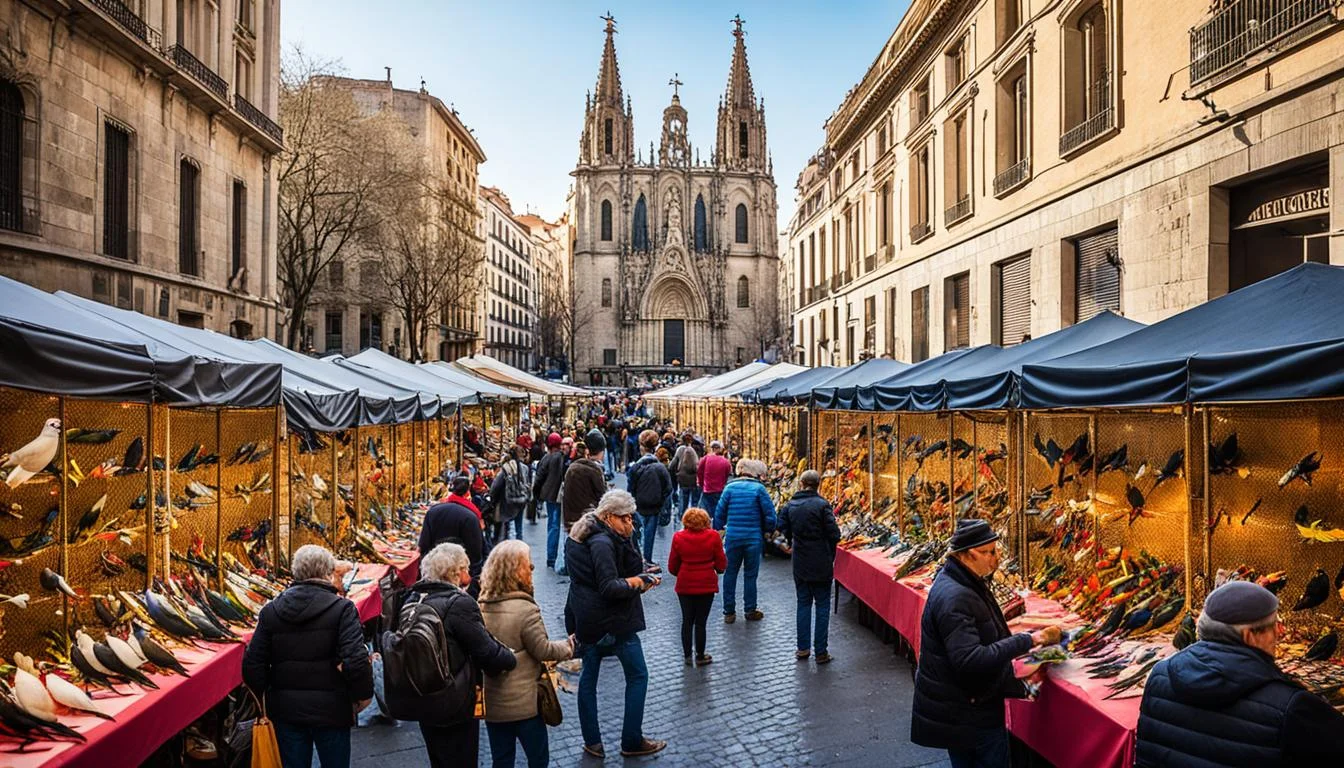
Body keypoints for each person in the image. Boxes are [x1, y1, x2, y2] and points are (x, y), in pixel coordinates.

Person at [1135, 580, 1344, 766]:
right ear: (1249, 636)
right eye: (1273, 625)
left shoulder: (1160, 676)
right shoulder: (1291, 705)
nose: (1280, 633)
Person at [911, 519, 1062, 768]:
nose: (996, 558)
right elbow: (969, 659)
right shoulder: (956, 595)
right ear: (968, 555)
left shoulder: (960, 581)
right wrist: (1029, 639)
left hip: (960, 708)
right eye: (988, 552)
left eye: (995, 550)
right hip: (969, 712)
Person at [242, 545, 372, 768]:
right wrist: (362, 695)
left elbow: (253, 665)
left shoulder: (271, 611)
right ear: (328, 573)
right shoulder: (342, 609)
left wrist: (267, 698)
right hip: (332, 709)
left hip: (286, 711)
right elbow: (356, 660)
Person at [564, 490, 667, 759]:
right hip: (612, 620)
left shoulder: (587, 535)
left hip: (587, 617)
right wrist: (638, 583)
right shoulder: (602, 543)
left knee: (589, 678)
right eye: (625, 519)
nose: (630, 523)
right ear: (609, 516)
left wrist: (629, 537)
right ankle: (631, 739)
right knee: (638, 675)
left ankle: (593, 741)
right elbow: (609, 586)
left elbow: (581, 583)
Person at [479, 541, 576, 768]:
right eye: (527, 564)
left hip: (493, 703)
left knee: (501, 760)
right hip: (524, 704)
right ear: (516, 570)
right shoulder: (525, 609)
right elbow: (543, 650)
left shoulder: (480, 606)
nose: (532, 568)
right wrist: (568, 646)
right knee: (538, 758)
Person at [779, 469, 841, 664]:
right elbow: (834, 533)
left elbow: (782, 529)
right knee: (822, 605)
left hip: (801, 561)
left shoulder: (790, 505)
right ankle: (821, 651)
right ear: (818, 484)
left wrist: (791, 542)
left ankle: (803, 648)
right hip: (821, 560)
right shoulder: (822, 506)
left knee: (803, 604)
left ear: (802, 483)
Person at [712, 459, 776, 623]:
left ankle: (729, 611)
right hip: (753, 537)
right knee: (750, 574)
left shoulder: (729, 488)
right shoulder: (759, 489)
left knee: (730, 572)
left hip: (733, 536)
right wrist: (768, 530)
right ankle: (750, 609)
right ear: (754, 472)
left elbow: (719, 513)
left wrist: (719, 530)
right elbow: (770, 514)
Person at [667, 506, 726, 666]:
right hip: (706, 583)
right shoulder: (713, 536)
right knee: (701, 622)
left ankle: (687, 655)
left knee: (687, 620)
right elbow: (721, 562)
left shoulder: (678, 537)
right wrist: (716, 569)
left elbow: (672, 566)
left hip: (685, 584)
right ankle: (700, 655)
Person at [419, 475, 486, 595]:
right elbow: (477, 553)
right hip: (461, 578)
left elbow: (424, 545)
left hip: (436, 575)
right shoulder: (471, 516)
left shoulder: (433, 512)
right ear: (467, 492)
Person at [558, 429, 608, 575]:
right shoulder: (595, 470)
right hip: (587, 517)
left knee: (571, 543)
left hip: (570, 515)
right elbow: (602, 496)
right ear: (601, 451)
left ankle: (568, 566)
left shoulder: (573, 468)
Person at [627, 429, 674, 570]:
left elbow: (631, 488)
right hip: (654, 507)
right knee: (649, 535)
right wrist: (664, 505)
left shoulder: (635, 467)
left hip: (639, 505)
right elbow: (668, 489)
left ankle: (639, 559)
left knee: (638, 533)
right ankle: (646, 559)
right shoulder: (660, 468)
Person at [534, 433, 567, 569]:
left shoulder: (547, 458)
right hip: (560, 494)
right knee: (556, 526)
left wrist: (537, 495)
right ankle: (553, 557)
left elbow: (539, 477)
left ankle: (551, 558)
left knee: (553, 526)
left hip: (550, 495)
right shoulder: (562, 458)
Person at [486, 446, 531, 544]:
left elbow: (496, 485)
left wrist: (491, 498)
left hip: (507, 501)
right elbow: (527, 483)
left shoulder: (506, 468)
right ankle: (519, 545)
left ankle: (506, 545)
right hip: (521, 499)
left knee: (506, 524)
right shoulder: (525, 468)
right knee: (519, 526)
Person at [670, 432, 700, 522]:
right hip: (694, 478)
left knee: (683, 499)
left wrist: (672, 470)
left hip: (682, 478)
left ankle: (683, 517)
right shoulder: (697, 448)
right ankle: (694, 518)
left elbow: (673, 463)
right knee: (695, 500)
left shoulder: (680, 449)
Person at [697, 440, 731, 515]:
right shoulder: (726, 462)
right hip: (719, 491)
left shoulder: (705, 459)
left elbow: (699, 472)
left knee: (704, 513)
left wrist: (701, 484)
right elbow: (726, 476)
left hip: (707, 490)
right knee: (718, 512)